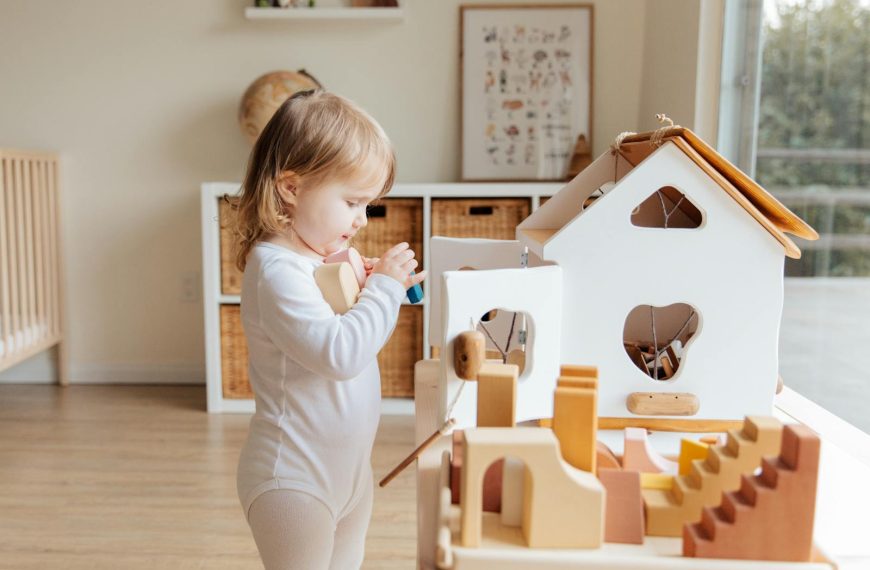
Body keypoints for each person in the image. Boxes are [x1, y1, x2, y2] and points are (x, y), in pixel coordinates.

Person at [232, 89, 426, 569]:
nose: (362, 220)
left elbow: (342, 322)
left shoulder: (315, 258)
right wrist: (381, 291)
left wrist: (368, 286)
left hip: (349, 472)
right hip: (294, 479)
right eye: (354, 202)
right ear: (291, 188)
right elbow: (339, 355)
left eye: (369, 205)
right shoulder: (276, 270)